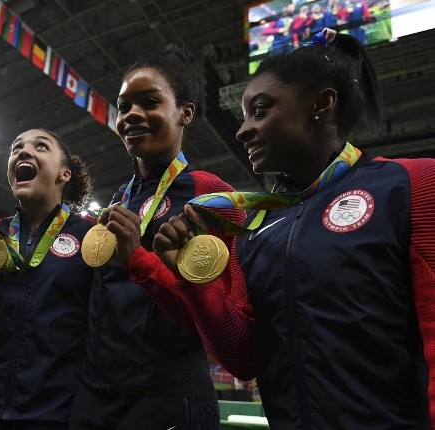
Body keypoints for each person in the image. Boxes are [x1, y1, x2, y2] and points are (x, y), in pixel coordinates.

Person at [153, 30, 433, 429]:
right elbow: (243, 357)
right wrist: (194, 280)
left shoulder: (411, 184)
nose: (242, 129)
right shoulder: (254, 227)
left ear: (322, 104)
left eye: (261, 110)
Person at [69, 48, 242, 430]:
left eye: (150, 102)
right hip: (97, 392)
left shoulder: (210, 195)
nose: (131, 114)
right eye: (123, 105)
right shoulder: (118, 198)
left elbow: (217, 316)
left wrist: (137, 259)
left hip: (166, 393)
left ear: (186, 113)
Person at [0, 128, 94, 429]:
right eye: (16, 148)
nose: (23, 152)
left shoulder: (92, 237)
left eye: (41, 146)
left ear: (65, 174)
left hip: (57, 413)